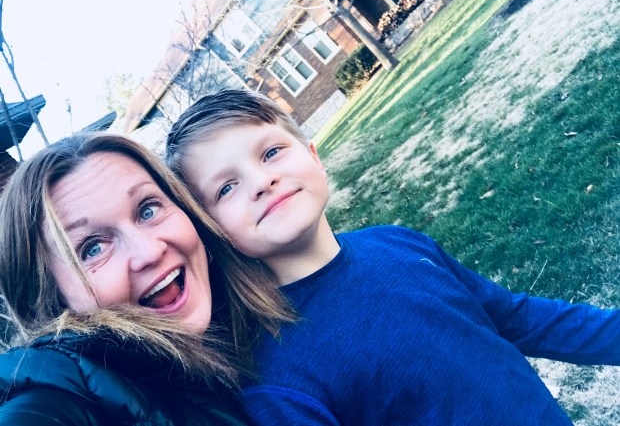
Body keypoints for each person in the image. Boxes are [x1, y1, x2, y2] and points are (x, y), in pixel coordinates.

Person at [166, 88, 620, 426]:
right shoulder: (277, 380)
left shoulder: (399, 243)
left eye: (270, 152)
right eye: (226, 188)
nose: (261, 182)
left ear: (314, 156)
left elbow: (518, 318)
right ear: (213, 231)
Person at [0, 133, 292, 425]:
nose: (150, 252)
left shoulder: (263, 304)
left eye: (147, 210)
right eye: (93, 248)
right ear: (50, 302)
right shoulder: (54, 403)